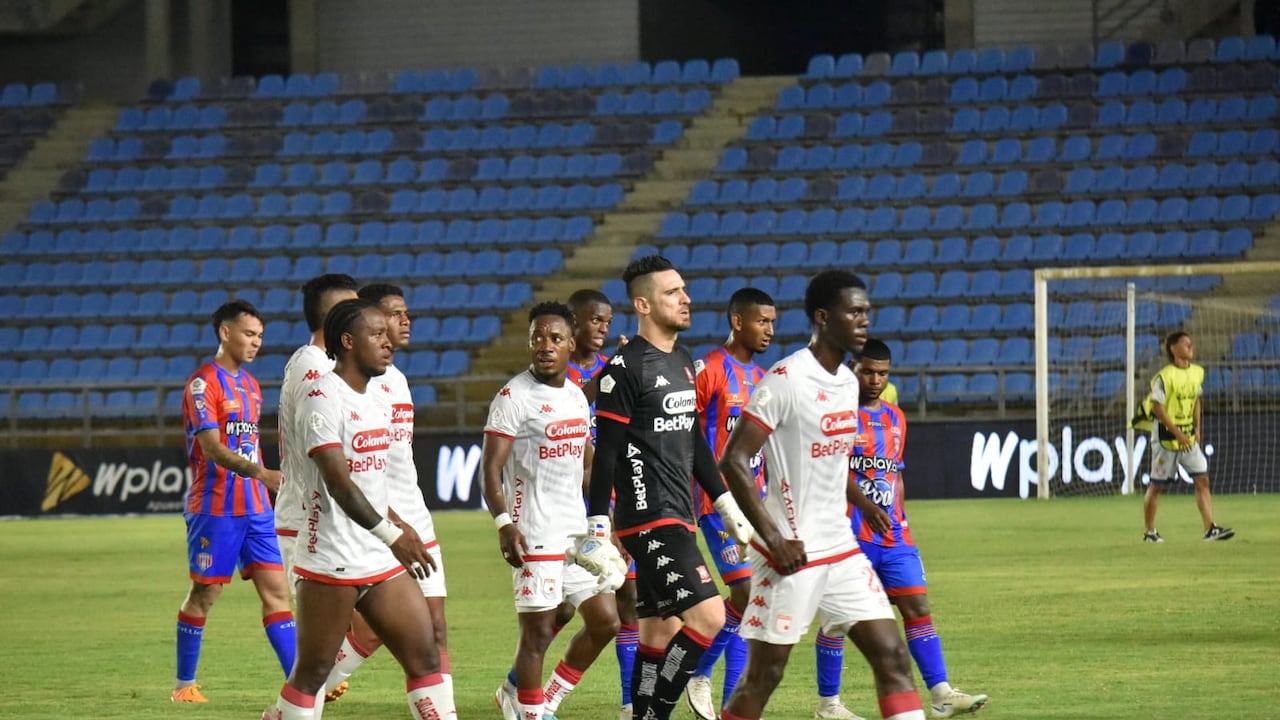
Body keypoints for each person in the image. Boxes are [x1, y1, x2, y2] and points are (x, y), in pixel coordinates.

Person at [717, 270, 927, 720]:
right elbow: (733, 460)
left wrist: (863, 503)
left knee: (892, 656)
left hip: (841, 547)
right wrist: (775, 540)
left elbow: (834, 463)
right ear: (822, 317)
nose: (864, 321)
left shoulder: (848, 384)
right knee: (763, 677)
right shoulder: (786, 379)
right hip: (790, 551)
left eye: (866, 312)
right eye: (854, 312)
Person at [261, 298, 453, 720]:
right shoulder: (321, 397)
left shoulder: (375, 399)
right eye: (377, 334)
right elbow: (339, 483)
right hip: (331, 558)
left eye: (388, 334)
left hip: (377, 556)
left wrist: (399, 525)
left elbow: (372, 483)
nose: (389, 342)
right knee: (312, 673)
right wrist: (393, 534)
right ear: (348, 342)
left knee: (425, 656)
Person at [586, 255, 754, 720]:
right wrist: (598, 527)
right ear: (643, 305)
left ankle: (644, 713)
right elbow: (606, 453)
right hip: (649, 517)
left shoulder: (682, 361)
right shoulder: (624, 367)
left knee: (658, 633)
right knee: (710, 617)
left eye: (683, 289)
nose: (686, 299)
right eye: (672, 292)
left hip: (680, 514)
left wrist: (726, 504)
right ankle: (656, 713)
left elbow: (695, 440)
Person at [690, 287, 856, 719]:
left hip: (756, 505)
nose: (769, 330)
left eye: (773, 323)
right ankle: (700, 674)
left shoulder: (765, 377)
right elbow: (684, 435)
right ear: (737, 321)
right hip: (716, 504)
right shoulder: (709, 370)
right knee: (746, 594)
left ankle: (722, 697)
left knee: (752, 604)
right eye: (762, 321)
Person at [819, 339, 988, 719]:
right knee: (838, 618)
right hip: (848, 534)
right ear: (853, 369)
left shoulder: (896, 417)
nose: (875, 380)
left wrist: (901, 518)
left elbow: (895, 473)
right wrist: (865, 506)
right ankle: (828, 705)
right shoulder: (836, 416)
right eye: (868, 372)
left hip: (893, 535)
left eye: (882, 373)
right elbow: (829, 470)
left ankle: (942, 695)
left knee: (917, 606)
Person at [483, 301, 624, 720]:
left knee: (605, 622)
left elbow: (586, 466)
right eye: (537, 338)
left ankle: (539, 699)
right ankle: (531, 713)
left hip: (575, 534)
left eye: (555, 338)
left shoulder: (576, 397)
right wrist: (505, 524)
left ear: (570, 345)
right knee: (537, 635)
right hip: (534, 534)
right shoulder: (513, 397)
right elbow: (489, 469)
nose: (545, 345)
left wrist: (606, 524)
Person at [317, 283, 454, 699]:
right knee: (373, 631)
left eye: (404, 313)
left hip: (416, 515)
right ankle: (308, 693)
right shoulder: (355, 385)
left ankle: (311, 690)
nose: (404, 321)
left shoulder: (396, 379)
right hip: (379, 521)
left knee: (435, 627)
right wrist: (390, 523)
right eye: (393, 315)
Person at [173, 299, 291, 703]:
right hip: (215, 508)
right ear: (226, 333)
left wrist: (262, 480)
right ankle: (184, 686)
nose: (256, 342)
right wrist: (262, 474)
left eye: (260, 336)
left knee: (276, 592)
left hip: (256, 509)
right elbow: (211, 448)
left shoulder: (252, 387)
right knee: (204, 594)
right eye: (249, 334)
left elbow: (249, 443)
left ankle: (302, 685)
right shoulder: (203, 384)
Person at [276, 273, 359, 702]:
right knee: (317, 655)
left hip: (332, 519)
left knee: (398, 618)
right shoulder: (313, 367)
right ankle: (287, 708)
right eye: (354, 307)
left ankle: (294, 704)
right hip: (308, 522)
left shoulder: (323, 363)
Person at [1138, 331, 1233, 542]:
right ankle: (1150, 532)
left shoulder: (1197, 372)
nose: (1190, 346)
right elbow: (1157, 408)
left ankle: (1210, 528)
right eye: (1184, 343)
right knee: (1157, 486)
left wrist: (1197, 428)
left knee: (1202, 479)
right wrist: (1177, 433)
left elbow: (1196, 400)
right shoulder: (1165, 377)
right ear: (1173, 348)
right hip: (1166, 439)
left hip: (1187, 437)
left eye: (1190, 342)